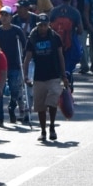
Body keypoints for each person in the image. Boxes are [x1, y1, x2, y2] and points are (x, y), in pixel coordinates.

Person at [22, 15, 71, 144]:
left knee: (53, 101)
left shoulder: (55, 38)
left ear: (48, 24)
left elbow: (60, 56)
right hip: (39, 77)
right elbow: (27, 59)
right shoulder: (32, 39)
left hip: (54, 75)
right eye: (40, 25)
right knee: (40, 106)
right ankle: (43, 131)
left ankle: (52, 126)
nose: (42, 28)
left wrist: (64, 76)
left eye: (45, 25)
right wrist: (25, 75)